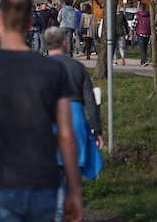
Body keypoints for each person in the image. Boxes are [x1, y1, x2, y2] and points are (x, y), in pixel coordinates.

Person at [0, 0, 83, 222]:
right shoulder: (52, 70)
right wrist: (73, 190)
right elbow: (66, 135)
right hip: (42, 177)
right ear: (31, 22)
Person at [44, 26, 104, 221]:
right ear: (64, 43)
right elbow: (90, 102)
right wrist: (97, 131)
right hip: (76, 118)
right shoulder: (77, 67)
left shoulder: (40, 67)